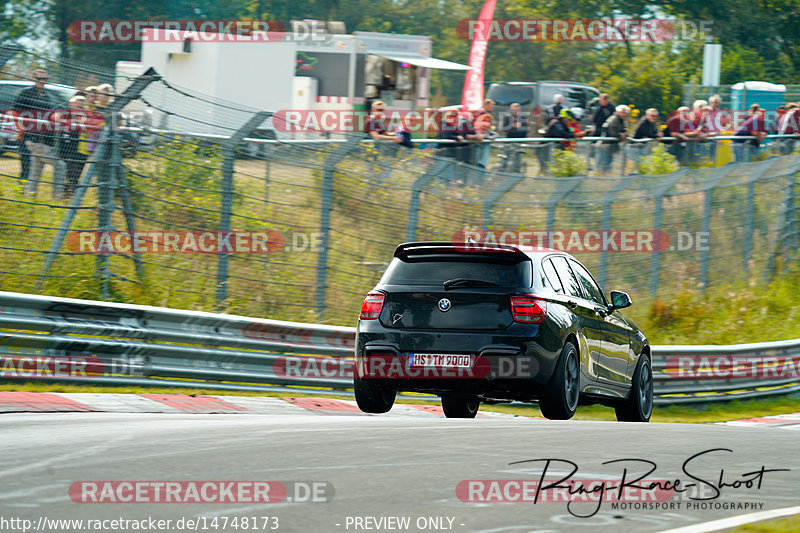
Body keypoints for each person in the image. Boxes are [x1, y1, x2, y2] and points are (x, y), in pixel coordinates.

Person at [13, 69, 63, 197]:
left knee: (35, 169)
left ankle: (28, 195)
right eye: (39, 79)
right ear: (33, 79)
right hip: (27, 136)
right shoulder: (25, 94)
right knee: (26, 166)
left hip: (42, 138)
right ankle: (21, 193)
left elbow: (50, 115)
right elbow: (14, 112)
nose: (42, 82)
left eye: (45, 79)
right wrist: (20, 129)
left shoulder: (47, 97)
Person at [596, 105, 629, 173]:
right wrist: (620, 136)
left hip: (611, 146)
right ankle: (599, 177)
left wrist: (625, 134)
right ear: (618, 112)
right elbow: (612, 131)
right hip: (604, 145)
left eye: (625, 113)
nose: (624, 114)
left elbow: (625, 129)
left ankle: (606, 176)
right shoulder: (613, 119)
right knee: (602, 164)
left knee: (608, 164)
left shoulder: (622, 120)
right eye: (623, 112)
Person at [473, 98, 496, 168]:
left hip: (483, 138)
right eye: (491, 105)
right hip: (480, 140)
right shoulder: (481, 114)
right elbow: (479, 128)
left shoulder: (485, 113)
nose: (493, 107)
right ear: (486, 105)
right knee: (479, 161)